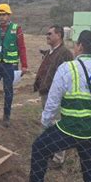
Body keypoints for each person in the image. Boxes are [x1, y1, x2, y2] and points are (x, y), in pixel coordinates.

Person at [28, 30, 91, 182]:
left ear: (80, 46)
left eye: (76, 44)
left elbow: (53, 101)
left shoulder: (68, 68)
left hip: (69, 130)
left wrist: (46, 122)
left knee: (39, 148)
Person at [33, 25, 73, 167]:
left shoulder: (65, 53)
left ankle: (58, 158)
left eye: (50, 33)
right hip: (47, 93)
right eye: (46, 33)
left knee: (57, 125)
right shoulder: (51, 52)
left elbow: (69, 77)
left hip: (56, 95)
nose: (47, 35)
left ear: (59, 35)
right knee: (48, 123)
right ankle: (49, 151)